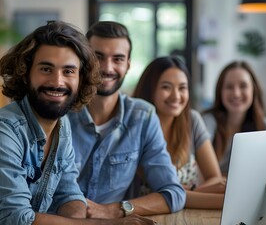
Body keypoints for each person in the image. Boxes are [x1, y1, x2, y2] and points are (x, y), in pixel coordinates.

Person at [0, 21, 157, 225]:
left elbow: (69, 195)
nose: (57, 82)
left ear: (81, 79)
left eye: (69, 71)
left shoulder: (62, 126)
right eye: (46, 69)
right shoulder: (2, 133)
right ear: (25, 73)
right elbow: (19, 219)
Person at [67, 21, 185, 219]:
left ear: (128, 64)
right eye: (98, 57)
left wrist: (112, 210)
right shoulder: (60, 112)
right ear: (84, 60)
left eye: (118, 59)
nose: (107, 68)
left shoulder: (142, 116)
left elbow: (173, 194)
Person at [133, 56, 225, 209]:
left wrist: (187, 192)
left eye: (182, 88)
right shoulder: (137, 125)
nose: (176, 96)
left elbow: (214, 177)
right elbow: (161, 196)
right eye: (166, 87)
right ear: (150, 90)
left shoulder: (192, 120)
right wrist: (184, 195)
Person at [202, 60, 266, 176]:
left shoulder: (265, 127)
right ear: (220, 91)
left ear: (253, 90)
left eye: (243, 86)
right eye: (229, 87)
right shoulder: (207, 122)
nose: (236, 93)